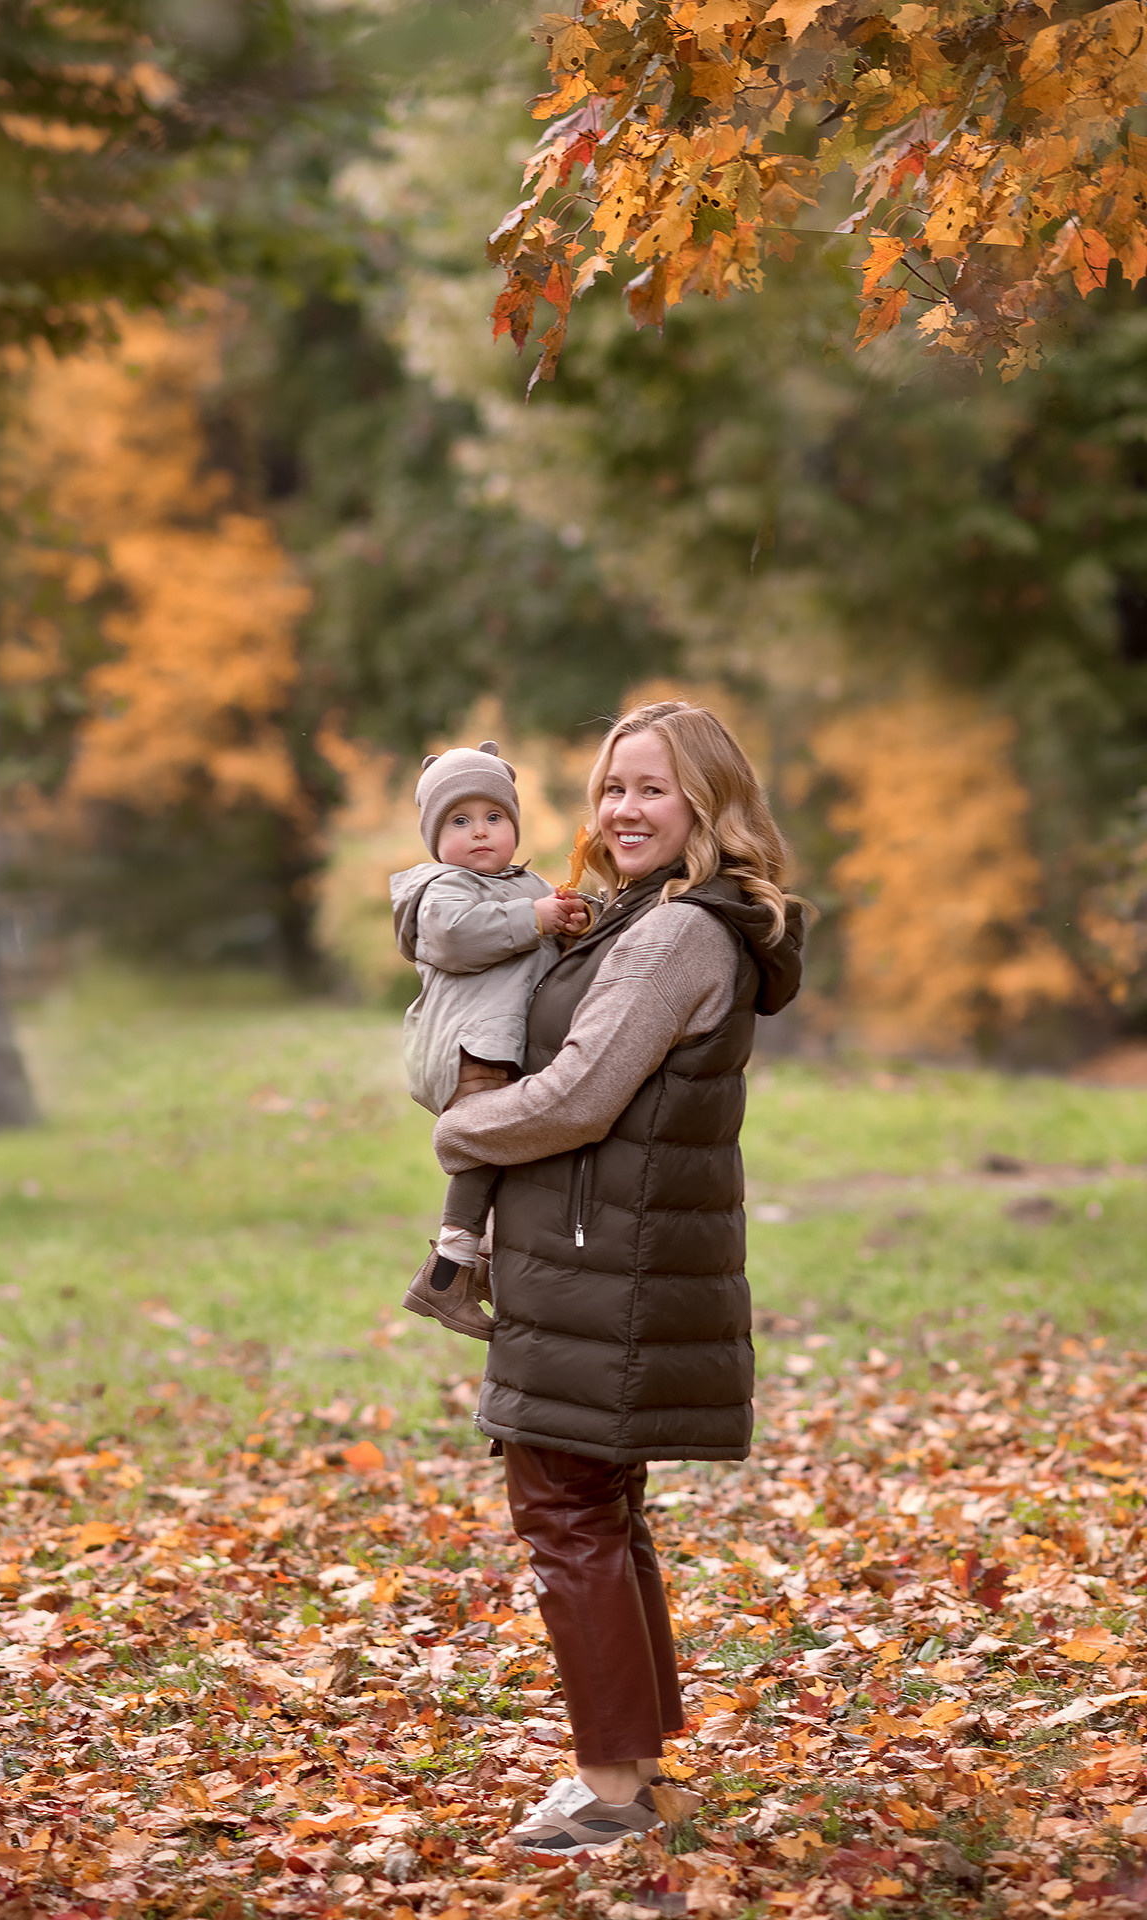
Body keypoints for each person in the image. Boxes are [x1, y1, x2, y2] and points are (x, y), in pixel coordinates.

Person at [431, 700, 805, 1857]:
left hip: (610, 1266)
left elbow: (579, 1096)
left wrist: (463, 1132)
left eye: (649, 788)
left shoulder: (675, 933)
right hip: (601, 1258)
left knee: (563, 1508)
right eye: (608, 788)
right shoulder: (643, 916)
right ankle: (636, 1771)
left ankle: (609, 1789)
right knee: (596, 1507)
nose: (621, 810)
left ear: (705, 801)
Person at [390, 740, 589, 1339]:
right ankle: (448, 1270)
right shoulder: (441, 890)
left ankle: (478, 1263)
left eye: (494, 817)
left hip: (506, 1044)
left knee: (509, 1152)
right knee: (485, 1140)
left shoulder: (525, 886)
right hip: (467, 1045)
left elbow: (543, 955)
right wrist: (535, 920)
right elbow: (457, 937)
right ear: (435, 837)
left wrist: (572, 924)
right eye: (460, 820)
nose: (480, 832)